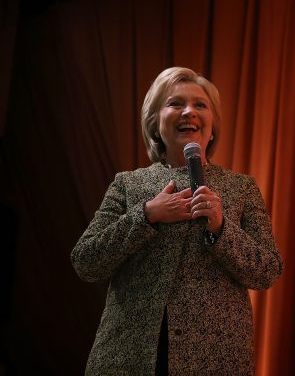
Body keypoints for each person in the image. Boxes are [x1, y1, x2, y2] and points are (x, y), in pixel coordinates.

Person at [71, 67, 283, 375]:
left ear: (212, 128)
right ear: (156, 123)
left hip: (215, 359)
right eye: (175, 103)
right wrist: (146, 215)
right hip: (130, 356)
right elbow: (85, 261)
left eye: (200, 105)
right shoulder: (129, 185)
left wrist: (221, 229)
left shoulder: (241, 188)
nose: (189, 112)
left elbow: (268, 271)